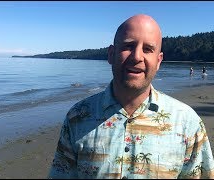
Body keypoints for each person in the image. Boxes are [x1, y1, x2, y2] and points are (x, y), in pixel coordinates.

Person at [48, 14, 214, 179]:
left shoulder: (187, 123)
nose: (136, 56)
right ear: (111, 54)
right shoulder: (78, 117)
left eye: (148, 49)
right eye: (128, 46)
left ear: (158, 60)